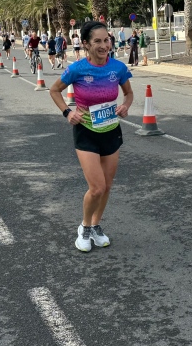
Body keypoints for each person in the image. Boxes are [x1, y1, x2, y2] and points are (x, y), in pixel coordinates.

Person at [48, 21, 133, 252]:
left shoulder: (118, 68)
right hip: (86, 131)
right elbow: (54, 90)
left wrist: (125, 106)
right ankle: (84, 227)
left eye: (107, 40)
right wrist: (67, 112)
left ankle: (96, 226)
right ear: (86, 44)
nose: (104, 45)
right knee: (96, 187)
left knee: (107, 186)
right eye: (97, 41)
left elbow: (128, 93)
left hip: (111, 131)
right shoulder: (77, 69)